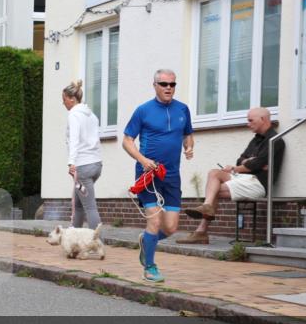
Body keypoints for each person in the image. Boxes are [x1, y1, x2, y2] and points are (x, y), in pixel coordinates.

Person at [122, 69, 194, 283]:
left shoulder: (183, 109)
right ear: (155, 85)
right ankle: (150, 267)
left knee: (170, 227)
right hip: (148, 175)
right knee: (154, 221)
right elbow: (127, 141)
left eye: (172, 84)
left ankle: (147, 241)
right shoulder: (143, 111)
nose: (168, 88)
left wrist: (189, 147)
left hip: (171, 176)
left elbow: (188, 135)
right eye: (164, 84)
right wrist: (142, 160)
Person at [177, 107, 286, 244]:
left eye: (251, 120)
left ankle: (201, 231)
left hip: (257, 183)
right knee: (214, 173)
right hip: (244, 178)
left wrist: (244, 165)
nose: (248, 124)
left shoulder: (275, 141)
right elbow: (241, 160)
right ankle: (206, 208)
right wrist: (248, 163)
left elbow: (255, 165)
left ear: (263, 119)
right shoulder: (256, 140)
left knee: (214, 190)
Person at [62, 80, 102, 229]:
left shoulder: (74, 115)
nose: (63, 103)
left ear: (72, 99)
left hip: (82, 168)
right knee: (78, 204)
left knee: (90, 207)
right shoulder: (92, 115)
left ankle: (97, 241)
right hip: (96, 165)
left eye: (64, 99)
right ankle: (74, 238)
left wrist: (71, 162)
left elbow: (74, 139)